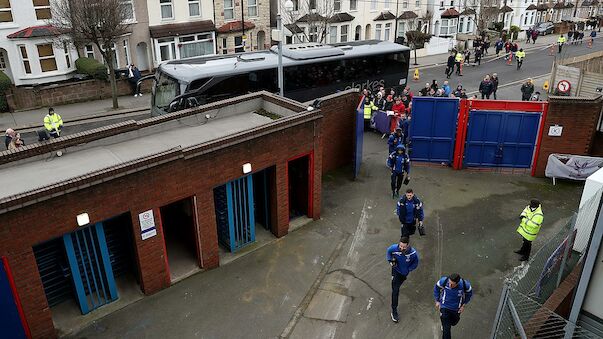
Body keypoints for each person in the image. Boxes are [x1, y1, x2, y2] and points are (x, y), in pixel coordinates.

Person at [386, 236, 419, 323]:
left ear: (408, 245)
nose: (401, 248)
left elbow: (415, 263)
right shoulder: (394, 248)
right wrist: (390, 261)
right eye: (400, 246)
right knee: (395, 290)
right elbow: (388, 252)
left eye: (404, 247)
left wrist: (409, 269)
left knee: (398, 286)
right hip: (396, 272)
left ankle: (396, 283)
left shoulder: (413, 253)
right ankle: (394, 310)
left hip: (404, 274)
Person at [434, 273, 473, 339]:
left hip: (456, 309)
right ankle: (444, 325)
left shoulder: (464, 285)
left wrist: (463, 305)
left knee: (454, 322)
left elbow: (469, 294)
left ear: (457, 283)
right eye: (449, 283)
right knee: (446, 330)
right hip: (444, 307)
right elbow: (436, 288)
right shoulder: (444, 281)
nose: (450, 285)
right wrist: (437, 300)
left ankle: (446, 324)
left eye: (452, 284)